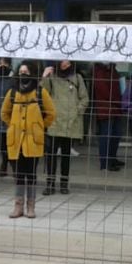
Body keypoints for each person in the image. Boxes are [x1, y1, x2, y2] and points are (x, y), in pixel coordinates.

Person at [0, 61, 56, 219]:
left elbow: (51, 113)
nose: (23, 74)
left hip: (33, 140)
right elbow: (4, 113)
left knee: (31, 174)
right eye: (21, 71)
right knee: (18, 174)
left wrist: (40, 126)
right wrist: (13, 125)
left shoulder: (40, 92)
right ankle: (18, 206)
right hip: (16, 139)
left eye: (26, 72)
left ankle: (31, 206)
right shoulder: (12, 92)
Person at [40, 59, 88, 195]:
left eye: (68, 61)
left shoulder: (77, 78)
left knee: (66, 155)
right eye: (62, 61)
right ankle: (50, 184)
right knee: (51, 155)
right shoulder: (52, 77)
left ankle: (64, 184)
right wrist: (44, 77)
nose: (65, 64)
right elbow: (43, 93)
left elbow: (84, 98)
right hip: (54, 121)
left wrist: (76, 111)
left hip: (70, 122)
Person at [92, 61, 124, 171]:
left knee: (116, 134)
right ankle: (105, 163)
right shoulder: (100, 71)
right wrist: (118, 101)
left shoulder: (112, 70)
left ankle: (112, 158)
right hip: (106, 108)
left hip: (115, 107)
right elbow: (104, 91)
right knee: (106, 136)